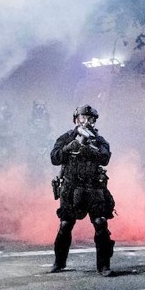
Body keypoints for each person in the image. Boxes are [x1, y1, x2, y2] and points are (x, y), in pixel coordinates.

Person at [50, 105, 116, 276]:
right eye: (83, 118)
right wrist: (69, 148)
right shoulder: (67, 138)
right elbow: (54, 158)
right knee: (65, 225)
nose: (86, 122)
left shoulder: (99, 140)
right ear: (76, 120)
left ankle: (103, 266)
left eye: (90, 119)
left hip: (93, 187)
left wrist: (89, 149)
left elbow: (105, 158)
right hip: (71, 188)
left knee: (101, 223)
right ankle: (59, 262)